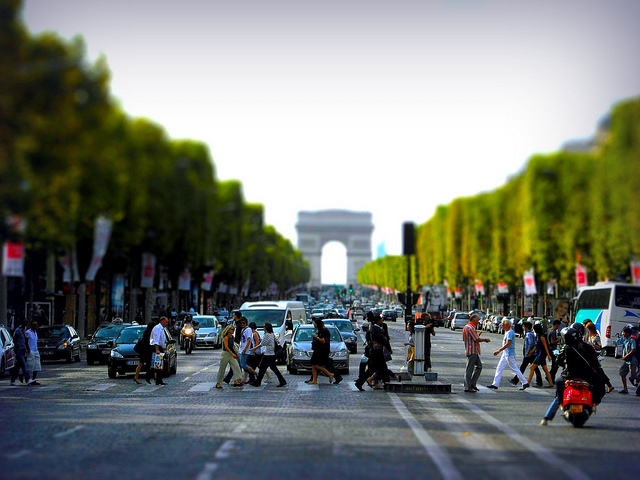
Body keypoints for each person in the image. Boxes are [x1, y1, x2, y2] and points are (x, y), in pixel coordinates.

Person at [540, 326, 608, 426]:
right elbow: (595, 364)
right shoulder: (588, 347)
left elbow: (559, 361)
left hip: (569, 376)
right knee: (600, 384)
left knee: (559, 388)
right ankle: (593, 403)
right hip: (586, 376)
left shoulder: (566, 348)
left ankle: (554, 411)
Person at [486, 318, 530, 390]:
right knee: (499, 368)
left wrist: (499, 350)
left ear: (507, 325)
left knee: (514, 368)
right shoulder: (507, 332)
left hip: (509, 354)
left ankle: (525, 382)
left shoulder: (510, 332)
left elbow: (508, 343)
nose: (502, 326)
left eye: (503, 325)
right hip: (505, 353)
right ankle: (495, 384)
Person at [249, 322, 286, 387]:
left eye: (264, 327)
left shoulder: (267, 335)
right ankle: (258, 382)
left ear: (266, 328)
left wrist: (252, 349)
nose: (263, 328)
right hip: (271, 354)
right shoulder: (272, 334)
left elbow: (261, 344)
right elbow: (276, 341)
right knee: (264, 368)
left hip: (268, 355)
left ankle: (282, 380)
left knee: (266, 368)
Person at [462, 314, 490, 392]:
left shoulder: (466, 327)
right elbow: (476, 339)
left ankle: (472, 384)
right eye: (477, 320)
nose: (478, 322)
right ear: (473, 320)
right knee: (469, 369)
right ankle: (468, 386)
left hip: (471, 350)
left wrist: (477, 336)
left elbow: (466, 338)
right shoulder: (471, 328)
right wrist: (485, 340)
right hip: (472, 350)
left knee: (479, 367)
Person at [509, 320, 542, 386]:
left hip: (529, 354)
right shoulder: (530, 334)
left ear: (526, 327)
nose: (523, 327)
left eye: (523, 326)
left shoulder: (529, 335)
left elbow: (531, 344)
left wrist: (528, 352)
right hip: (530, 354)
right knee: (534, 368)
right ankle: (539, 381)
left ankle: (516, 380)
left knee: (523, 367)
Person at [527, 323, 555, 388]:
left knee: (532, 367)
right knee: (545, 370)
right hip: (540, 354)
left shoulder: (542, 337)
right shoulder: (539, 336)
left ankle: (528, 382)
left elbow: (546, 346)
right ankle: (551, 383)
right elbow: (536, 346)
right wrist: (531, 352)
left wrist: (548, 355)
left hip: (541, 354)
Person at [307, 319, 334, 384]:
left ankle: (329, 374)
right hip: (316, 350)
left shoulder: (323, 331)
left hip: (321, 351)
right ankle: (314, 380)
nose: (314, 324)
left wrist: (317, 337)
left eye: (315, 323)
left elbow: (323, 340)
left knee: (316, 365)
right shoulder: (317, 330)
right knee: (313, 365)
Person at [614, 325, 637, 394]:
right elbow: (618, 343)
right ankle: (625, 389)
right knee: (622, 373)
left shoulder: (632, 340)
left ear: (628, 333)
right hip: (627, 361)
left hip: (632, 361)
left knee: (633, 376)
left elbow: (633, 350)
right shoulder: (624, 340)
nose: (623, 334)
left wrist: (626, 356)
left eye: (624, 333)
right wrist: (618, 338)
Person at [10, 318, 32, 386]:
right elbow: (14, 339)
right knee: (24, 365)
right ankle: (27, 379)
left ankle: (13, 379)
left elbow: (25, 340)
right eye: (25, 322)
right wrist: (18, 346)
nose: (26, 323)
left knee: (17, 366)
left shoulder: (24, 330)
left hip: (23, 350)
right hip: (19, 350)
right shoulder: (18, 330)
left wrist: (27, 348)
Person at [135, 320, 157, 385]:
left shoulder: (145, 333)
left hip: (143, 351)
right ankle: (151, 377)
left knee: (141, 364)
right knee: (151, 365)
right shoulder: (150, 334)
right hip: (147, 351)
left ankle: (136, 377)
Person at [150, 316, 169, 385]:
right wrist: (157, 349)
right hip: (157, 349)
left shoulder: (162, 329)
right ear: (162, 321)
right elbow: (156, 340)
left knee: (160, 365)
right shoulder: (157, 328)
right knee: (158, 365)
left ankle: (159, 379)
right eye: (166, 322)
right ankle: (155, 378)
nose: (167, 324)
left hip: (161, 348)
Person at [238, 317, 257, 384]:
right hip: (241, 349)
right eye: (241, 323)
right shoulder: (243, 330)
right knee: (241, 364)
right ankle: (243, 379)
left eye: (244, 323)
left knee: (243, 365)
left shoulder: (248, 330)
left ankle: (255, 373)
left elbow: (249, 340)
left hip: (245, 351)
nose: (242, 324)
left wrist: (245, 349)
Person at [25, 320, 42, 385]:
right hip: (31, 351)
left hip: (36, 350)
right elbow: (26, 341)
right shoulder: (28, 332)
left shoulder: (35, 333)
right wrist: (28, 349)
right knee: (30, 366)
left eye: (36, 325)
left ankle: (33, 379)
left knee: (37, 366)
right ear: (31, 325)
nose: (36, 326)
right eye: (34, 325)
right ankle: (27, 378)